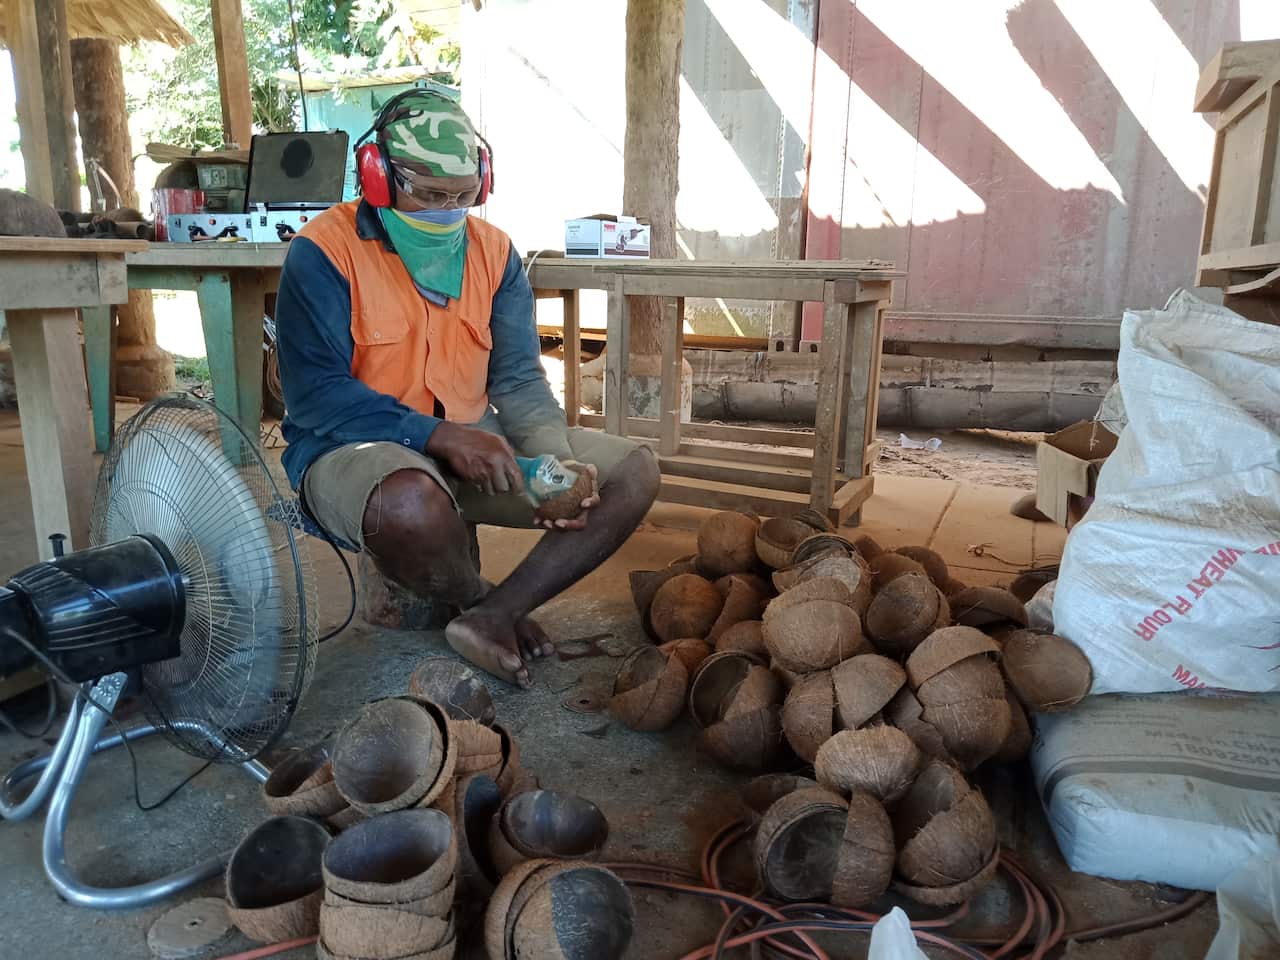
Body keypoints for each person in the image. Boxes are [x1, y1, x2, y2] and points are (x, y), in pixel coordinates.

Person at [274, 90, 660, 688]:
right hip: (353, 446)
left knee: (631, 472)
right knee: (409, 506)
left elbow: (518, 378)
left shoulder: (494, 252)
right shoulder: (323, 253)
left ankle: (495, 616)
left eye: (461, 196)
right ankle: (481, 596)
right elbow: (315, 397)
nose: (447, 212)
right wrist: (437, 435)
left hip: (473, 435)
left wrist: (553, 460)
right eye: (428, 195)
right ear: (377, 177)